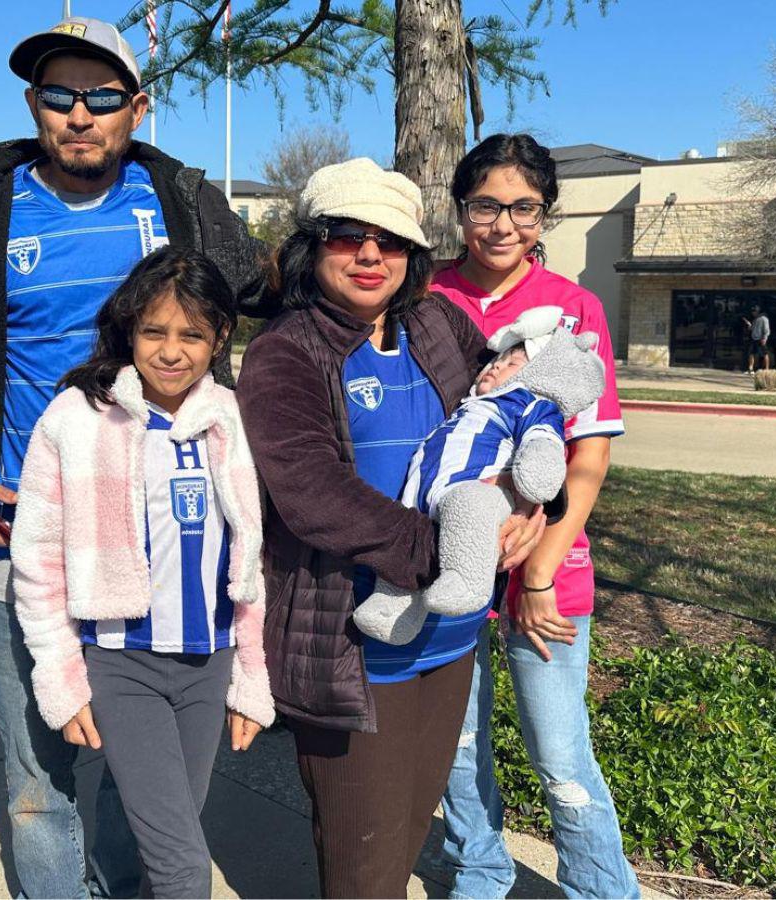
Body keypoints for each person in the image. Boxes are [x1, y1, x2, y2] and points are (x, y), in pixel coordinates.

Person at [0, 16, 269, 898]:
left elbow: (258, 296)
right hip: (30, 537)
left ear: (135, 108)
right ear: (34, 104)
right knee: (41, 788)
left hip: (175, 555)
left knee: (154, 800)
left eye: (102, 97)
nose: (79, 114)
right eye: (59, 95)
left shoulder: (180, 199)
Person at [236, 157, 551, 898]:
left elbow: (509, 411)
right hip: (352, 646)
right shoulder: (287, 351)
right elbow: (311, 493)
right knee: (364, 860)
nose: (371, 254)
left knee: (409, 827)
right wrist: (451, 551)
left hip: (448, 638)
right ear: (313, 246)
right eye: (348, 235)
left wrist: (535, 507)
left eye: (392, 240)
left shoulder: (438, 322)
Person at [9, 247, 274, 899]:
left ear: (219, 339)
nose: (171, 350)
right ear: (128, 329)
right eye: (155, 331)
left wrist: (249, 674)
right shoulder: (76, 418)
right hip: (123, 665)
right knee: (182, 861)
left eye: (192, 334)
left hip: (206, 665)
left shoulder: (232, 421)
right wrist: (61, 674)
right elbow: (38, 557)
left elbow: (250, 563)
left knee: (166, 836)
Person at [430, 133, 639, 899]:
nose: (502, 224)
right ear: (460, 209)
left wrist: (542, 566)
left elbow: (588, 455)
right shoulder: (422, 297)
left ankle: (602, 888)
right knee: (456, 746)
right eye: (485, 204)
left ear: (545, 213)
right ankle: (478, 874)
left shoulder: (574, 308)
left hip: (543, 573)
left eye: (522, 206)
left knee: (559, 753)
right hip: (445, 559)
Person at [354, 306, 606, 646]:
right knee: (408, 526)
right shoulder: (469, 403)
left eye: (511, 364)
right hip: (426, 490)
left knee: (469, 508)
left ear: (540, 373)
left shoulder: (528, 403)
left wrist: (537, 479)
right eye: (496, 362)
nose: (497, 366)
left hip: (480, 489)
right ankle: (392, 609)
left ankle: (467, 580)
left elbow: (544, 439)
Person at [742, 306, 771, 373]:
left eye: (754, 311)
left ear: (757, 311)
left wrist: (765, 338)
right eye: (752, 311)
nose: (753, 313)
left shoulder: (764, 318)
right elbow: (752, 328)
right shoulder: (755, 319)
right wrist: (749, 325)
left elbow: (767, 329)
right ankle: (750, 369)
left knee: (764, 353)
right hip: (754, 338)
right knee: (751, 353)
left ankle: (767, 369)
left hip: (761, 339)